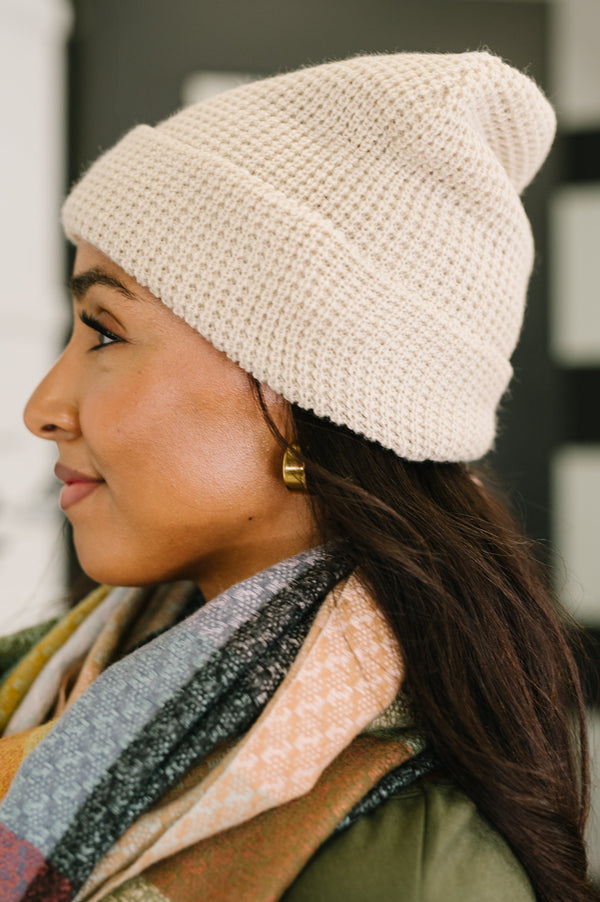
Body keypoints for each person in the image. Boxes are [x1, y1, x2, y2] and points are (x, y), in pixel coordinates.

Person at [0, 50, 595, 902]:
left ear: (297, 393)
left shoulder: (414, 871)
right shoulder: (54, 694)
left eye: (103, 331)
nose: (44, 406)